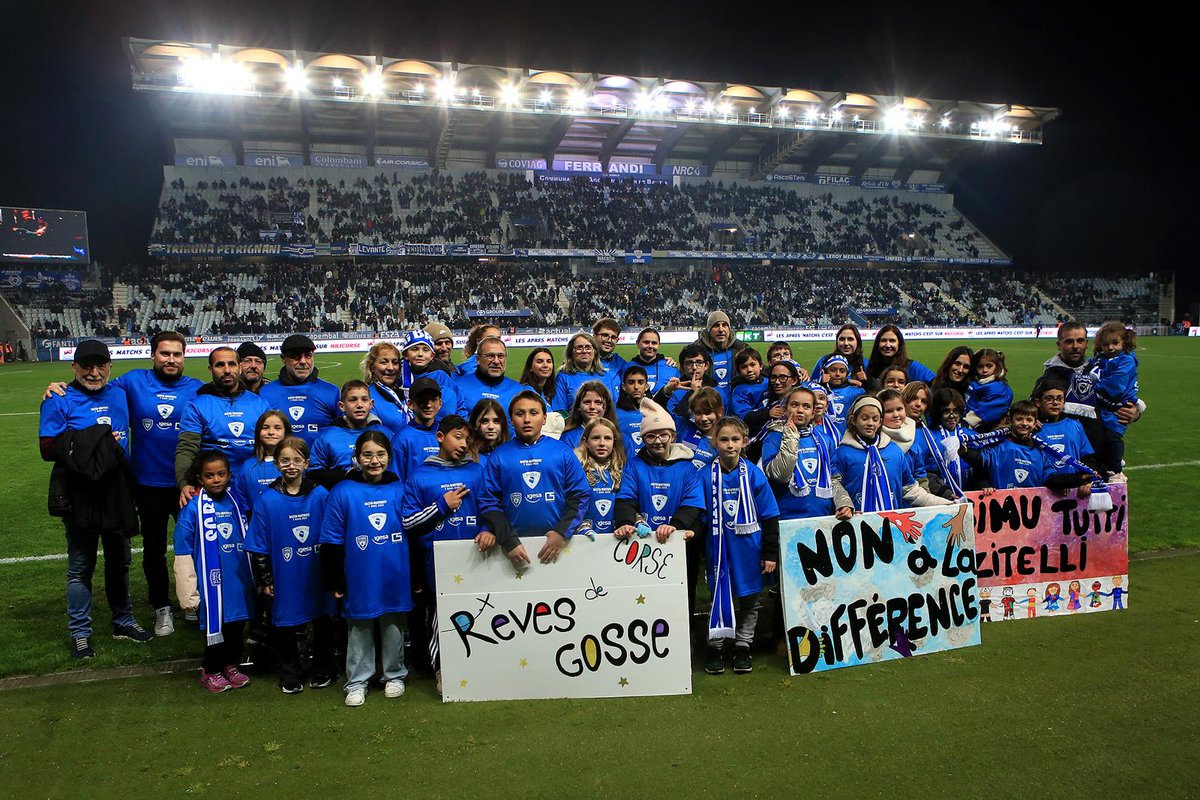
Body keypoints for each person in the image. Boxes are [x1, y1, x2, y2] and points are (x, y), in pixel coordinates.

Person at [42, 331, 203, 637]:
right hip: (143, 484)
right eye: (164, 354)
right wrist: (54, 388)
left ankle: (195, 605)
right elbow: (90, 390)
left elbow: (229, 393)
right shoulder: (129, 384)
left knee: (196, 547)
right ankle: (161, 609)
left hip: (186, 485)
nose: (170, 359)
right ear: (152, 355)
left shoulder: (197, 389)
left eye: (176, 354)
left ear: (184, 356)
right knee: (152, 550)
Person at [39, 339, 149, 658]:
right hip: (80, 494)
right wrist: (96, 439)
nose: (94, 371)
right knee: (80, 566)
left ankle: (123, 620)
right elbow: (47, 449)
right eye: (86, 365)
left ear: (109, 367)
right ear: (74, 367)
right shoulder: (59, 397)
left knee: (120, 561)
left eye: (100, 365)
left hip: (117, 491)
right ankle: (80, 631)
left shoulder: (119, 392)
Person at [401, 415, 495, 694]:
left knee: (480, 611)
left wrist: (489, 528)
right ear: (440, 437)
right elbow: (408, 523)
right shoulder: (420, 475)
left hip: (477, 559)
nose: (464, 444)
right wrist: (443, 505)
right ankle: (444, 670)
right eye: (457, 437)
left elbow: (492, 506)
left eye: (467, 438)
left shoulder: (478, 472)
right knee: (442, 618)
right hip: (437, 564)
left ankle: (483, 665)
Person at [320, 431, 413, 707]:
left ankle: (394, 675)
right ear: (357, 458)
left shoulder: (400, 489)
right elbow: (331, 540)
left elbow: (413, 531)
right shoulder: (342, 492)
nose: (374, 460)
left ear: (389, 457)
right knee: (359, 626)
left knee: (394, 624)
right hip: (359, 575)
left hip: (395, 573)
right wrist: (336, 578)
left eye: (380, 454)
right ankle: (357, 681)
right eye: (368, 455)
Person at [243, 436, 336, 694]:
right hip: (285, 574)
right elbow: (258, 544)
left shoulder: (320, 494)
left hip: (316, 572)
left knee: (323, 620)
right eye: (285, 460)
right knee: (283, 622)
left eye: (297, 460)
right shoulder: (267, 500)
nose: (291, 465)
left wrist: (333, 573)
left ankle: (323, 668)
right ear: (277, 464)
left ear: (307, 463)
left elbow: (333, 535)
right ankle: (290, 672)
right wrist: (265, 579)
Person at [613, 399, 706, 620]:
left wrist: (674, 526)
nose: (658, 441)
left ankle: (686, 640)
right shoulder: (635, 465)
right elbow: (626, 498)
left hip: (677, 544)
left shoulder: (687, 467)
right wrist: (627, 522)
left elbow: (693, 504)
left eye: (663, 435)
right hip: (643, 546)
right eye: (651, 436)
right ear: (643, 439)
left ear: (673, 436)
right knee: (643, 596)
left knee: (682, 595)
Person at [702, 417, 780, 675]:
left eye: (735, 439)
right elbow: (696, 509)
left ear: (744, 442)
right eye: (723, 439)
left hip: (750, 551)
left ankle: (743, 646)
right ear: (714, 442)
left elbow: (769, 515)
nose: (730, 445)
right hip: (719, 551)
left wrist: (769, 553)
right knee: (718, 598)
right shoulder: (704, 474)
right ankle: (715, 647)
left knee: (750, 601)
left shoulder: (754, 474)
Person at [478, 391, 593, 566]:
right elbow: (488, 501)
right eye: (520, 413)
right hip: (513, 549)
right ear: (511, 419)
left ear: (544, 418)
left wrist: (562, 533)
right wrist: (507, 539)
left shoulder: (562, 452)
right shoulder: (499, 456)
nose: (526, 419)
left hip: (557, 546)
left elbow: (580, 495)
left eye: (534, 413)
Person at [173, 451, 255, 692]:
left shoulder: (237, 502)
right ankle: (211, 669)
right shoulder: (192, 508)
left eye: (221, 474)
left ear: (229, 475)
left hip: (238, 580)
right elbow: (183, 548)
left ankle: (231, 664)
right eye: (209, 476)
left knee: (236, 626)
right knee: (215, 629)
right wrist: (187, 590)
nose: (216, 479)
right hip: (213, 583)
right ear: (200, 478)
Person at [175, 346, 271, 504]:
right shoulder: (197, 405)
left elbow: (273, 447)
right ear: (210, 369)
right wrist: (185, 483)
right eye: (220, 365)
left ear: (239, 367)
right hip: (215, 492)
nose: (227, 370)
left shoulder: (260, 403)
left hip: (254, 487)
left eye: (232, 364)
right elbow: (187, 448)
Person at [1040, 320, 1143, 460]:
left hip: (1097, 453)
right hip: (1065, 453)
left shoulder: (1096, 369)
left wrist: (1136, 411)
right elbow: (1035, 407)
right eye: (1069, 341)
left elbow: (1121, 392)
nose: (1075, 346)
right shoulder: (1050, 376)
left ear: (1087, 343)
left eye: (1080, 341)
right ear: (1059, 345)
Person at [831, 396, 952, 517]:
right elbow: (834, 483)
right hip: (857, 525)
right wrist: (844, 504)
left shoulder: (895, 452)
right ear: (853, 420)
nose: (870, 423)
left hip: (892, 526)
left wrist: (948, 505)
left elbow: (911, 491)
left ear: (880, 422)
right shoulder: (842, 453)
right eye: (864, 418)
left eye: (875, 419)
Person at [961, 401, 1095, 492]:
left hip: (1030, 518)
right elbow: (979, 459)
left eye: (1029, 420)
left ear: (1035, 423)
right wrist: (965, 451)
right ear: (1010, 420)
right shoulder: (999, 447)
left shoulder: (1040, 452)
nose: (1024, 424)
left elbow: (1052, 480)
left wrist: (1078, 479)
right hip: (1001, 511)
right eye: (1019, 419)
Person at [761, 386, 836, 521]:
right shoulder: (773, 438)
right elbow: (780, 475)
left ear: (813, 412)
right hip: (788, 519)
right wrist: (790, 436)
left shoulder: (825, 440)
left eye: (806, 406)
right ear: (785, 409)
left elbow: (835, 478)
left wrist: (844, 504)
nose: (800, 410)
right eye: (794, 405)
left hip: (824, 516)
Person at [259, 334, 341, 446]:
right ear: (283, 359)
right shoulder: (266, 393)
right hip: (281, 463)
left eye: (308, 356)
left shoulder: (332, 392)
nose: (303, 361)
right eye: (296, 356)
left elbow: (344, 432)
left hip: (321, 463)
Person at [1089, 321, 1140, 481]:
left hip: (1117, 408)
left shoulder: (1126, 361)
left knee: (1112, 436)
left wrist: (1093, 386)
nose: (1110, 347)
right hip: (1104, 409)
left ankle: (1116, 468)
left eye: (1115, 343)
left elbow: (1116, 386)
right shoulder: (1100, 359)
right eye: (1105, 344)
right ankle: (1111, 461)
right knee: (1102, 437)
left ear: (1124, 342)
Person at [309, 380, 387, 482]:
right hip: (343, 495)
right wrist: (345, 475)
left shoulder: (385, 434)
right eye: (353, 400)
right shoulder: (327, 437)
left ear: (371, 404)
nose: (359, 405)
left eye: (364, 399)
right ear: (341, 406)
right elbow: (313, 473)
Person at [1031, 377, 1097, 473]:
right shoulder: (1033, 428)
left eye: (1059, 398)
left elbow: (1087, 457)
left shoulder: (1075, 426)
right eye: (1049, 399)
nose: (1055, 403)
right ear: (1038, 402)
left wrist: (1087, 478)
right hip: (1043, 485)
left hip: (1074, 483)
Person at [574, 417, 626, 537]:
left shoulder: (622, 470)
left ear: (614, 442)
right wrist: (580, 527)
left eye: (607, 438)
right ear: (585, 442)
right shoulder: (576, 470)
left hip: (615, 539)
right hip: (581, 539)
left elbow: (628, 502)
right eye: (595, 438)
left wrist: (636, 520)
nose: (602, 443)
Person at [232, 410, 292, 513]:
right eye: (265, 428)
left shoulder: (294, 465)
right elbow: (242, 502)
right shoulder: (248, 466)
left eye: (277, 428)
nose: (271, 432)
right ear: (258, 433)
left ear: (286, 432)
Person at [399, 330, 466, 421]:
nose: (420, 354)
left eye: (425, 350)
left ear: (432, 355)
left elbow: (459, 406)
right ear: (405, 354)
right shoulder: (399, 376)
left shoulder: (441, 377)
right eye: (414, 349)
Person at [389, 377, 443, 482]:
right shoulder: (402, 439)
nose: (428, 405)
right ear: (410, 404)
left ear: (440, 403)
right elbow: (396, 480)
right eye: (422, 400)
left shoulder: (447, 432)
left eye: (433, 399)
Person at [454, 335, 523, 414]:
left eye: (501, 356)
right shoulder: (457, 386)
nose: (496, 361)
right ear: (478, 359)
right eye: (490, 356)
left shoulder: (518, 391)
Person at [554, 331, 616, 412]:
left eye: (588, 347)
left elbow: (611, 408)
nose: (584, 351)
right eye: (579, 348)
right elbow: (560, 411)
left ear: (595, 351)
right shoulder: (563, 377)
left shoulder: (605, 376)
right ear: (571, 352)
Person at [864, 325, 935, 389]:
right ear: (877, 344)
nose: (887, 345)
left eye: (892, 341)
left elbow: (936, 383)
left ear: (899, 344)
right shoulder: (869, 367)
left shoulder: (911, 366)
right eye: (883, 340)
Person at [744, 360, 801, 439]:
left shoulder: (804, 401)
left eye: (783, 377)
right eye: (773, 377)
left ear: (794, 380)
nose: (777, 382)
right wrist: (767, 413)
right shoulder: (768, 400)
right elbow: (747, 419)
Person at [361, 341, 408, 436]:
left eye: (395, 362)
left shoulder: (407, 392)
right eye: (384, 362)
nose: (390, 368)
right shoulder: (366, 396)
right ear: (372, 367)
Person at [691, 310, 746, 391]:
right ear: (709, 330)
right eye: (716, 325)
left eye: (724, 325)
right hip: (708, 401)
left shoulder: (741, 349)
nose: (721, 329)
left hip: (735, 401)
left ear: (729, 329)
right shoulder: (696, 351)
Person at [560, 380, 618, 451]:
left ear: (606, 407)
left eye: (598, 402)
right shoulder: (568, 438)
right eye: (587, 402)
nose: (592, 407)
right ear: (578, 406)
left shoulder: (618, 436)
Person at [964, 349, 1013, 431]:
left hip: (983, 430)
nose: (984, 370)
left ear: (997, 367)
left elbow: (982, 414)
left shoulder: (998, 389)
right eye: (980, 366)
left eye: (989, 366)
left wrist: (963, 424)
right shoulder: (977, 382)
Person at [675, 387, 723, 469]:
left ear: (719, 412)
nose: (703, 418)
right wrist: (666, 392)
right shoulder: (685, 426)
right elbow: (657, 410)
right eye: (698, 413)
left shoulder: (724, 440)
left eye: (708, 412)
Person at [819, 355, 866, 439]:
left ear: (847, 373)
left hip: (847, 438)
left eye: (842, 371)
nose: (837, 374)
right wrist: (820, 383)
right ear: (825, 372)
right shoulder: (817, 389)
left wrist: (866, 383)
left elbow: (875, 395)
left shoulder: (854, 391)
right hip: (823, 438)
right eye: (833, 370)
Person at [628, 327, 679, 394]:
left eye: (654, 343)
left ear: (659, 345)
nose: (650, 346)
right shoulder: (627, 368)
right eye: (646, 342)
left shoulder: (670, 367)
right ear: (637, 343)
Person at [613, 365, 649, 455]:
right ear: (624, 387)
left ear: (646, 386)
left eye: (640, 382)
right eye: (631, 382)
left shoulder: (654, 412)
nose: (636, 387)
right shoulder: (614, 414)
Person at [467, 398, 509, 470]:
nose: (491, 427)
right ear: (474, 425)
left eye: (496, 421)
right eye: (484, 421)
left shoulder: (510, 454)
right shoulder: (466, 456)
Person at [730, 348, 769, 418]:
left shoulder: (770, 382)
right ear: (739, 371)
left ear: (761, 366)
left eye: (752, 365)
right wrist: (766, 413)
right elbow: (743, 416)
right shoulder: (739, 391)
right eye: (744, 367)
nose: (749, 370)